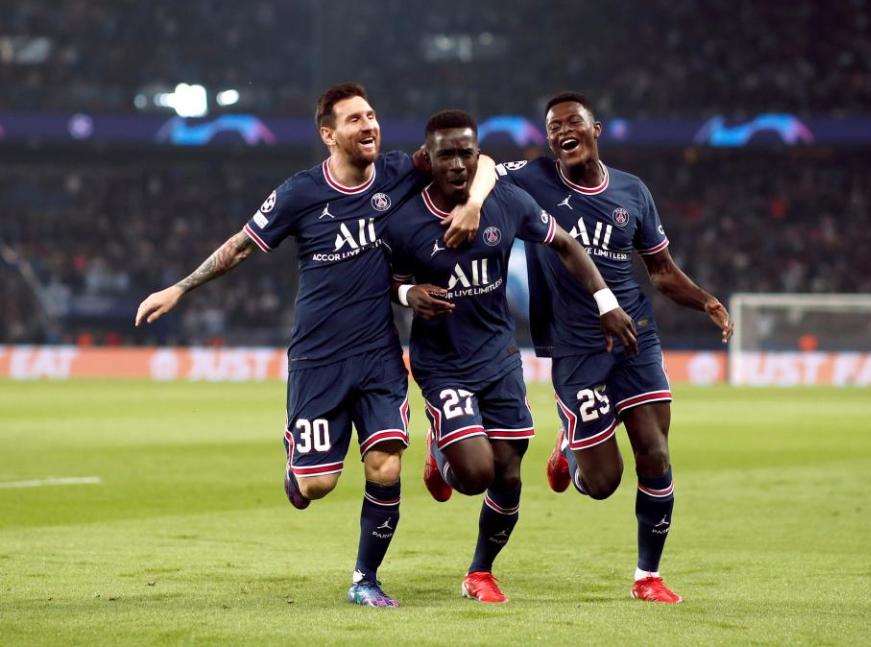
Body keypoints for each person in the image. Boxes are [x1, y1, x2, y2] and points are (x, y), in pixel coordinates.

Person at [135, 83, 495, 608]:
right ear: (328, 135)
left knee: (386, 465)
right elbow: (240, 246)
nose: (368, 125)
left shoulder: (400, 171)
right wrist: (180, 287)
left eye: (371, 115)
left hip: (378, 353)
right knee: (317, 485)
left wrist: (476, 204)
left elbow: (476, 160)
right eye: (354, 120)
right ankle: (298, 471)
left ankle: (365, 579)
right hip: (318, 358)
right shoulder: (300, 193)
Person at [382, 110, 636, 604]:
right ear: (427, 160)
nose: (457, 164)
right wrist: (409, 293)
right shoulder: (406, 220)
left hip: (498, 359)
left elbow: (565, 243)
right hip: (444, 363)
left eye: (465, 153)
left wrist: (606, 300)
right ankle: (441, 453)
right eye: (446, 155)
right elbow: (383, 282)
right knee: (474, 475)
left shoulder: (506, 201)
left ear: (477, 157)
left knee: (510, 474)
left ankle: (480, 571)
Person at [495, 92, 733, 604]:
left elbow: (662, 271)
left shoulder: (632, 191)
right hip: (575, 347)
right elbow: (483, 168)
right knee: (602, 482)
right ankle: (571, 448)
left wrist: (705, 300)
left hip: (634, 336)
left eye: (572, 122)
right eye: (553, 126)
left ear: (595, 129)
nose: (563, 131)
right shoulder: (532, 178)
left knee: (655, 451)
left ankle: (648, 576)